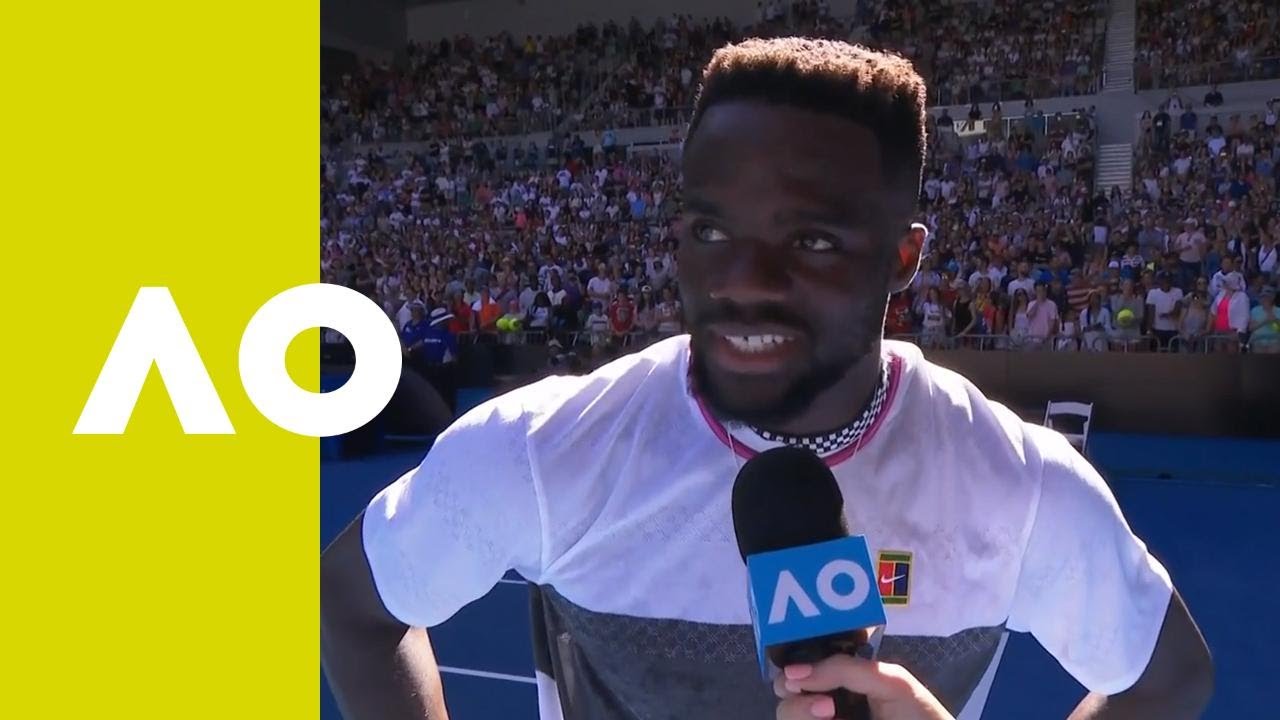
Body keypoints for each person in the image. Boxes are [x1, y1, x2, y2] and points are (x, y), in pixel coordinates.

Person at [321, 39, 1212, 720]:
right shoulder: (541, 451)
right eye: (712, 231)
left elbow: (1169, 676)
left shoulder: (1019, 487)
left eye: (811, 240)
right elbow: (354, 605)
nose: (743, 279)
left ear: (904, 256)